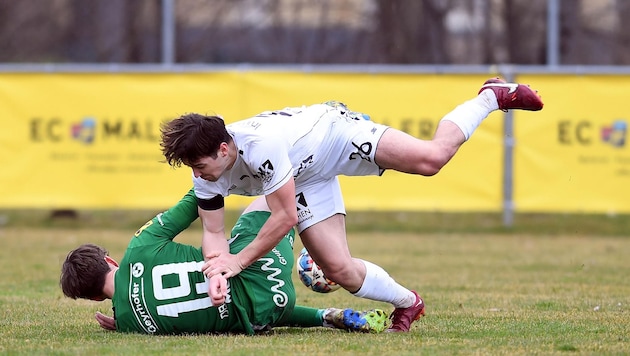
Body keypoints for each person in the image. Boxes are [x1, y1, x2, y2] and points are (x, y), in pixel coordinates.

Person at [159, 78, 544, 332]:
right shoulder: (206, 172)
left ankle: (490, 97)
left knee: (431, 160)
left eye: (200, 164)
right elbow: (213, 232)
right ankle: (409, 303)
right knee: (339, 270)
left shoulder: (262, 146)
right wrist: (216, 275)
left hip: (337, 135)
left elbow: (284, 216)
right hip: (306, 175)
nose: (198, 173)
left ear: (224, 149)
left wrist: (237, 263)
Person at [60, 189, 388, 335]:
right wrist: (217, 178)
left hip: (267, 312)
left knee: (248, 306)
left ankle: (327, 316)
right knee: (278, 196)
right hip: (264, 267)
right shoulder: (139, 248)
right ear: (110, 259)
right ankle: (330, 260)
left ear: (92, 297)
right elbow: (194, 200)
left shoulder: (132, 325)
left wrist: (123, 324)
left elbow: (135, 311)